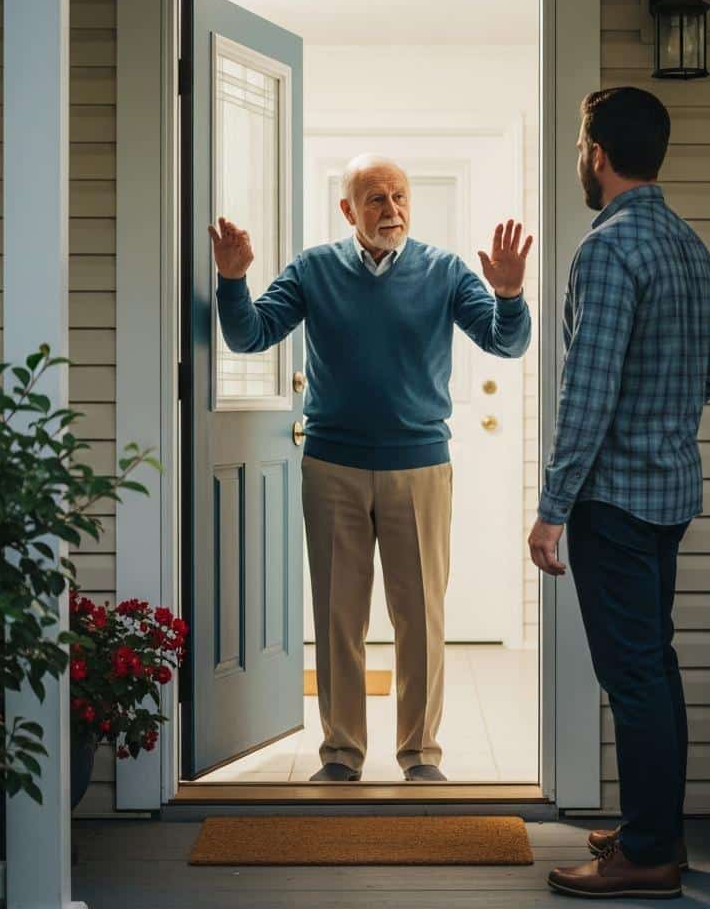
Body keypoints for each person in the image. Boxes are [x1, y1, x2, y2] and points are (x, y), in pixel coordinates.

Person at [209, 154, 532, 782]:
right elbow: (249, 336)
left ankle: (419, 755)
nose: (392, 210)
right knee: (339, 619)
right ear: (348, 210)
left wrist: (511, 294)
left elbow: (504, 341)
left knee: (422, 620)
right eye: (376, 199)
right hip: (334, 466)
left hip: (420, 468)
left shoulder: (444, 271)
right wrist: (231, 282)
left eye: (400, 196)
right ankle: (341, 755)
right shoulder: (313, 269)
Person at [528, 88, 710, 899]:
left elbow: (588, 393)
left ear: (597, 154)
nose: (581, 156)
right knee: (657, 671)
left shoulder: (608, 250)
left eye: (581, 144)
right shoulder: (686, 243)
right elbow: (707, 376)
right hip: (671, 493)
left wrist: (551, 508)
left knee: (634, 678)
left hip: (614, 503)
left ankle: (645, 857)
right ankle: (657, 831)